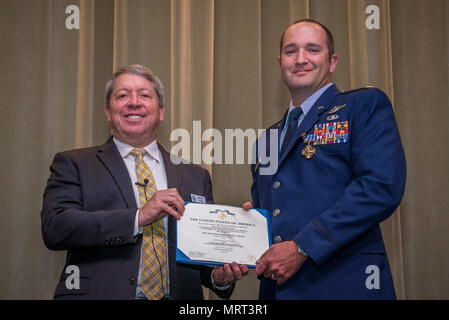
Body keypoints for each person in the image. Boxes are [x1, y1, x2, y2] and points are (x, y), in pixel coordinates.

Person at [42, 64, 248, 300]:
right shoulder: (74, 163)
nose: (134, 102)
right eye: (122, 95)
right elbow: (55, 228)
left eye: (144, 95)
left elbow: (199, 254)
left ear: (160, 111)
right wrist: (138, 217)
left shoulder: (195, 175)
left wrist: (218, 278)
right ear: (108, 111)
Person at [243, 19, 406, 299]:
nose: (301, 59)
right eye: (291, 51)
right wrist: (247, 228)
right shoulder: (266, 140)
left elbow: (380, 187)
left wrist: (303, 246)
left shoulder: (362, 106)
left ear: (332, 62)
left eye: (313, 49)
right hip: (278, 289)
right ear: (280, 62)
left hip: (343, 282)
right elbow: (273, 210)